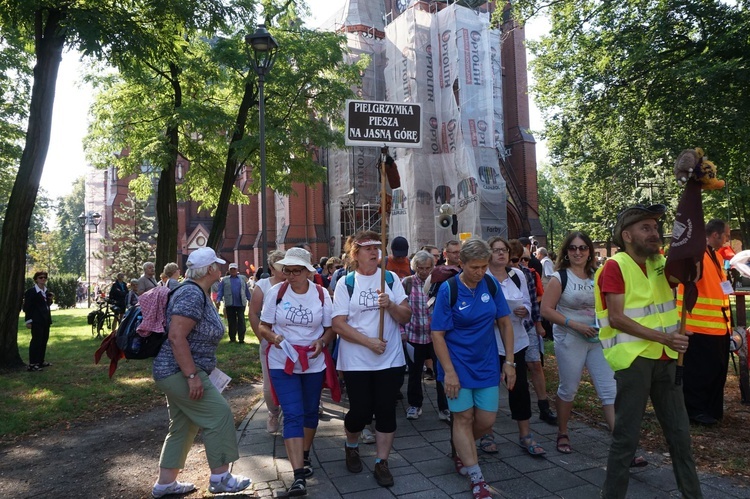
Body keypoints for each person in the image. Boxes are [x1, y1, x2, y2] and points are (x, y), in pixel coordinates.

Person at [596, 204, 702, 499]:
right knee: (626, 438)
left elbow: (688, 277)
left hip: (667, 360)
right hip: (635, 362)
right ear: (627, 235)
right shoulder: (615, 266)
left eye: (656, 227)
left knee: (680, 436)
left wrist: (693, 246)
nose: (655, 233)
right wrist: (664, 338)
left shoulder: (659, 262)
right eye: (646, 228)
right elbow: (616, 318)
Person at [150, 247, 251, 498]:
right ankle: (220, 478)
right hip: (179, 371)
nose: (220, 269)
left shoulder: (198, 292)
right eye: (217, 265)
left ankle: (165, 484)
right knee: (219, 415)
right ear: (208, 270)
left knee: (184, 425)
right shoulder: (191, 294)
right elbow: (176, 336)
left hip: (177, 370)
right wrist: (192, 376)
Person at [431, 239, 515, 499]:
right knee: (463, 418)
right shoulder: (449, 289)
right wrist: (449, 372)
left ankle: (460, 445)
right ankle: (476, 477)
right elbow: (437, 334)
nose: (480, 272)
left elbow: (505, 323)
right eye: (475, 267)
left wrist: (509, 362)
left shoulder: (490, 284)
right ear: (462, 263)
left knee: (486, 420)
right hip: (456, 365)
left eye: (484, 266)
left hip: (487, 364)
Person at [331, 230, 411, 488]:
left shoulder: (389, 278)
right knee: (361, 411)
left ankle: (381, 462)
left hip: (390, 359)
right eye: (368, 248)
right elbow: (338, 325)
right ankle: (351, 444)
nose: (375, 251)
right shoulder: (346, 283)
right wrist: (368, 342)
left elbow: (406, 316)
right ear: (355, 253)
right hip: (356, 360)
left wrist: (391, 306)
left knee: (386, 410)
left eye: (377, 247)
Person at [258, 247, 336, 497]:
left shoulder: (322, 295)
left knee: (310, 412)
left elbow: (330, 329)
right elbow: (262, 326)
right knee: (292, 414)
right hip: (283, 361)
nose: (289, 275)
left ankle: (304, 454)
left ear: (308, 271)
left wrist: (322, 342)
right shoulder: (276, 293)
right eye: (286, 270)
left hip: (312, 361)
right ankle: (298, 476)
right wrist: (274, 337)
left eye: (295, 271)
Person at [540, 232, 616, 454]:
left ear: (589, 251)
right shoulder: (559, 278)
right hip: (570, 337)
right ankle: (562, 432)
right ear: (566, 252)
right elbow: (546, 310)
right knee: (569, 388)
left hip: (597, 338)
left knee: (609, 390)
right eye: (573, 248)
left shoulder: (598, 275)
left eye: (583, 248)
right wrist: (575, 325)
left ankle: (623, 445)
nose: (578, 252)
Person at [483, 237, 545, 456]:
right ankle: (487, 433)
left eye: (505, 250)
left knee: (519, 389)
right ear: (488, 253)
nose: (501, 254)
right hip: (490, 342)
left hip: (516, 339)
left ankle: (525, 434)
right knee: (488, 389)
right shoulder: (483, 277)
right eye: (496, 250)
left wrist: (524, 310)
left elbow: (528, 302)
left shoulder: (518, 275)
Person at [676, 219, 732, 426]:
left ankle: (711, 409)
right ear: (715, 234)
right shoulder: (697, 254)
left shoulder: (715, 256)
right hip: (698, 326)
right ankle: (695, 411)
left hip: (719, 326)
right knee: (699, 372)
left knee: (716, 370)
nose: (727, 239)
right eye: (726, 235)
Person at [509, 240, 557, 425]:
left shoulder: (527, 274)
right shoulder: (495, 275)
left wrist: (538, 324)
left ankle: (544, 406)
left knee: (535, 364)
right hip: (504, 329)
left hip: (526, 326)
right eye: (515, 259)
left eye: (522, 259)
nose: (519, 263)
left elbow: (533, 301)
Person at [403, 250, 449, 421]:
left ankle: (444, 407)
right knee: (414, 373)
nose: (424, 272)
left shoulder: (439, 283)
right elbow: (400, 309)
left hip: (435, 337)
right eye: (420, 268)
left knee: (440, 372)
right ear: (414, 267)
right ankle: (415, 405)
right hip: (414, 336)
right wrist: (403, 332)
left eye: (428, 268)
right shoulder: (407, 283)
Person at [249, 250, 286, 432]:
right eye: (280, 266)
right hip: (269, 342)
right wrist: (262, 337)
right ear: (272, 268)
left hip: (292, 342)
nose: (285, 269)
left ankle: (290, 413)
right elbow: (253, 313)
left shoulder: (294, 283)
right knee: (269, 381)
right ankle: (273, 412)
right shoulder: (263, 285)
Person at [23, 271, 53, 372]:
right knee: (36, 341)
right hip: (36, 320)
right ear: (36, 279)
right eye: (40, 278)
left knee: (44, 340)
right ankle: (32, 363)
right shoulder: (31, 292)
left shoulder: (46, 291)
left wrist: (49, 300)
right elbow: (27, 307)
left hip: (46, 320)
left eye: (45, 278)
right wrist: (28, 321)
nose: (43, 279)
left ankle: (40, 361)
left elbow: (45, 305)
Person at [215, 262, 251, 343]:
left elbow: (246, 290)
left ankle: (241, 339)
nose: (233, 270)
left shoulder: (242, 279)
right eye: (231, 269)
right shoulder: (224, 280)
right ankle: (232, 338)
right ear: (229, 270)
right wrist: (218, 300)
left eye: (234, 269)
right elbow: (220, 291)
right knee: (231, 321)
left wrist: (249, 299)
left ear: (237, 270)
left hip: (241, 303)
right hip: (229, 303)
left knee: (241, 320)